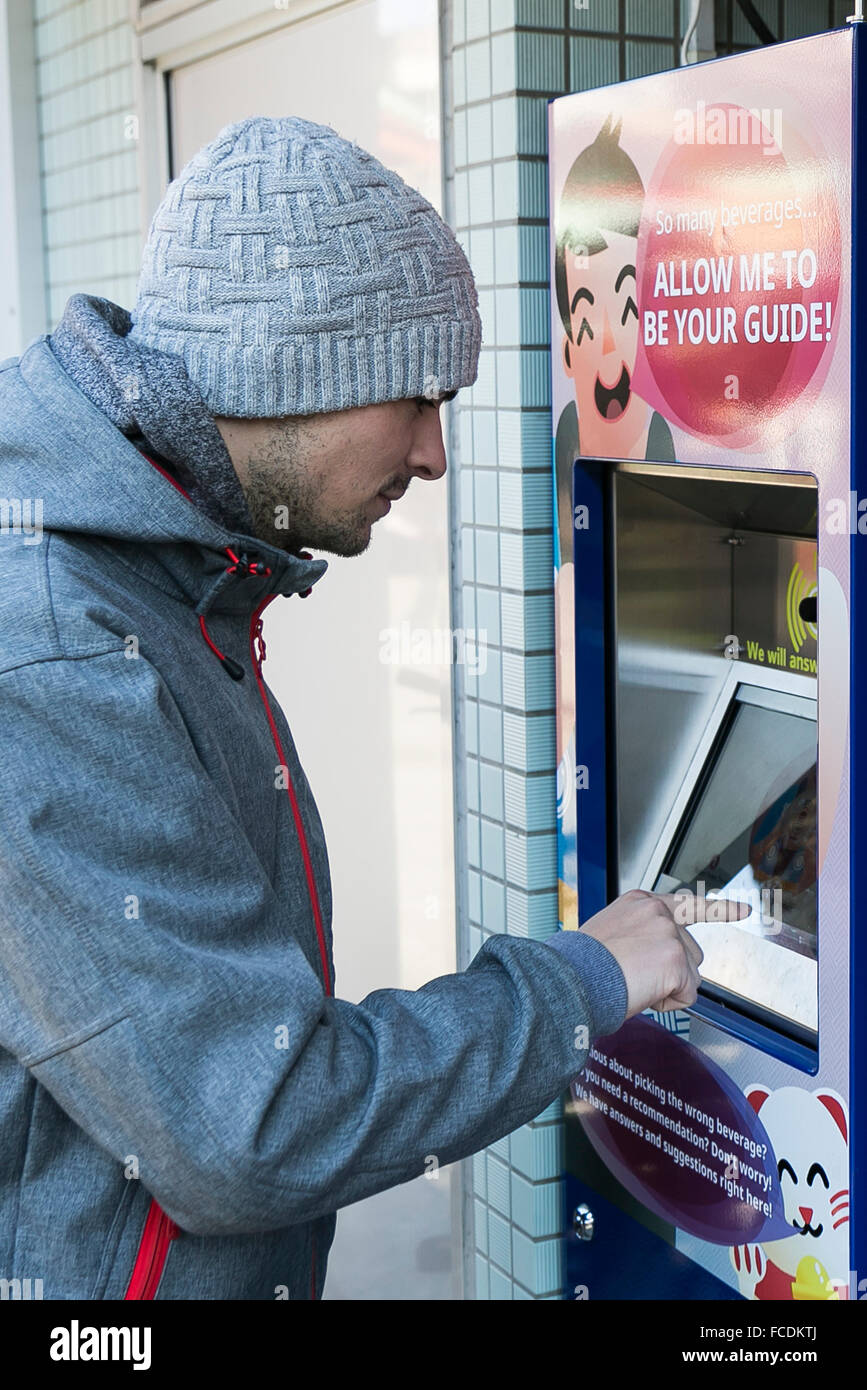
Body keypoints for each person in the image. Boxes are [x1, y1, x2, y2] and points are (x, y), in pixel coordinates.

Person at [0, 116, 745, 1301]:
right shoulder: (51, 646)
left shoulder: (170, 575)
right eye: (419, 396)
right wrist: (579, 981)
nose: (439, 453)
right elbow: (257, 1121)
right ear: (299, 372)